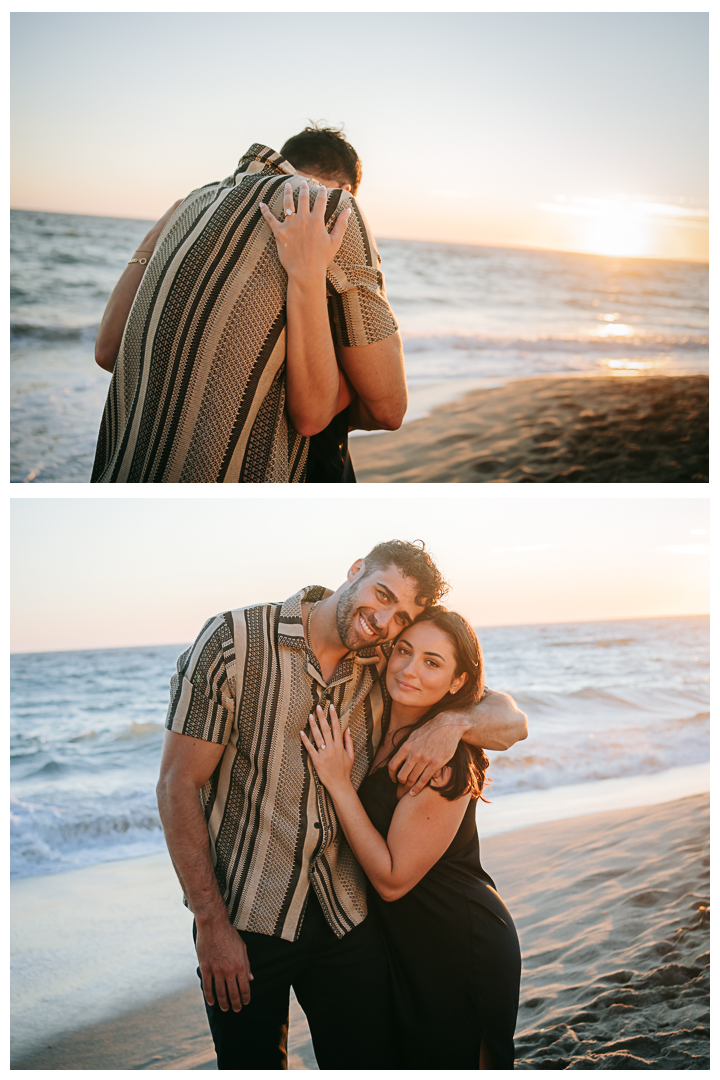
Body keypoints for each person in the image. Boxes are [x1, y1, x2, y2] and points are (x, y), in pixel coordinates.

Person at [156, 540, 528, 1069]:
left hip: (347, 917)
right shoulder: (233, 642)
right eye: (380, 594)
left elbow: (509, 718)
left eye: (399, 617)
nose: (382, 620)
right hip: (247, 918)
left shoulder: (377, 661)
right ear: (355, 570)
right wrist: (210, 923)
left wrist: (454, 722)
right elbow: (176, 785)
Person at [91, 125, 407, 483]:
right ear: (347, 191)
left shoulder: (196, 205)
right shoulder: (335, 209)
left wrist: (156, 235)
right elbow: (387, 410)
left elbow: (107, 351)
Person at [302, 607, 521, 1070]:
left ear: (457, 682)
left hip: (458, 939)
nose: (409, 669)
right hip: (406, 943)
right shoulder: (379, 726)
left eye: (432, 662)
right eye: (404, 651)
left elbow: (393, 880)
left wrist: (339, 785)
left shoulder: (441, 758)